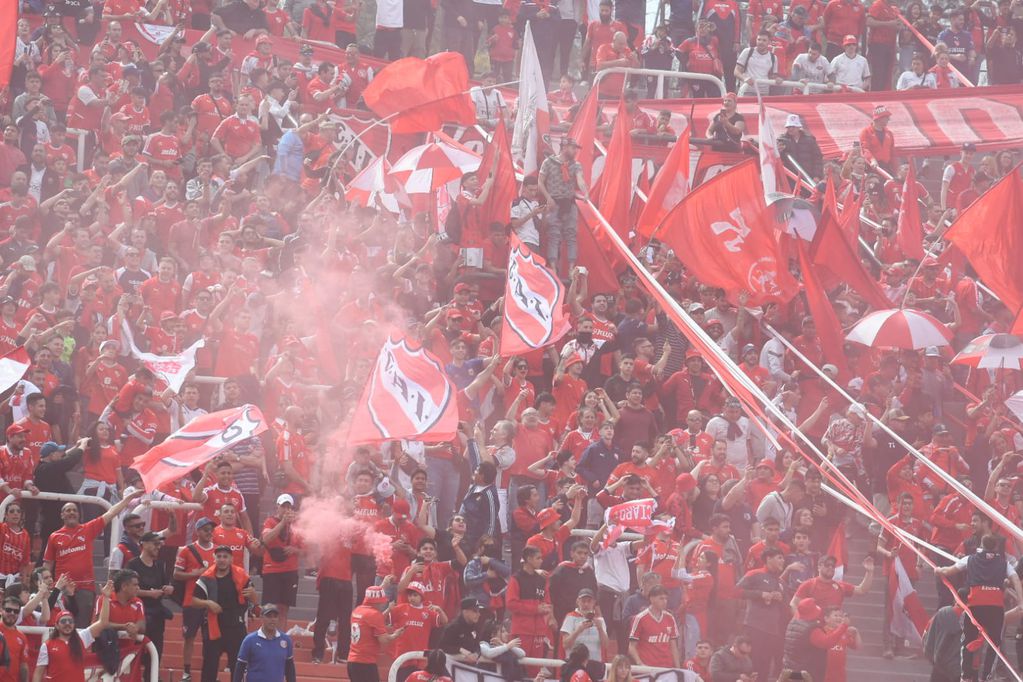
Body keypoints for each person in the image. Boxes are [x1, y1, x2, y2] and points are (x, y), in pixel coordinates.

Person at [42, 489, 144, 626]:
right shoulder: (54, 536)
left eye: (74, 510)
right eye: (68, 510)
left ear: (78, 514)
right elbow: (47, 564)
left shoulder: (87, 529)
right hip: (63, 588)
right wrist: (45, 585)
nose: (72, 512)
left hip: (85, 588)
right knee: (59, 625)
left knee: (82, 627)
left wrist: (129, 498)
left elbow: (111, 512)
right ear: (62, 515)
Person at [934, 534, 1022, 681]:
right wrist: (1020, 602)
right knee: (994, 645)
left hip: (975, 604)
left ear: (981, 545)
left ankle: (966, 676)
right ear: (995, 547)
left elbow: (948, 571)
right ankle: (986, 677)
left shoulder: (970, 559)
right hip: (995, 606)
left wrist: (938, 570)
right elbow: (1016, 580)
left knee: (968, 640)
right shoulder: (1004, 563)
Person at [192, 545, 258, 682]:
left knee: (238, 665)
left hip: (235, 626)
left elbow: (254, 600)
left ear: (231, 559)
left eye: (225, 556)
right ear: (214, 558)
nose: (222, 559)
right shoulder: (206, 577)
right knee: (209, 666)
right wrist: (208, 603)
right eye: (219, 556)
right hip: (213, 625)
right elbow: (193, 600)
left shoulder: (241, 575)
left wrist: (253, 595)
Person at [33, 580, 113, 682]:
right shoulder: (47, 645)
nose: (67, 623)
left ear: (74, 624)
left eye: (70, 621)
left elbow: (103, 623)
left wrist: (105, 597)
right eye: (63, 621)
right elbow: (38, 672)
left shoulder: (82, 638)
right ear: (56, 626)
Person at [538, 139, 588, 277]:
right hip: (554, 203)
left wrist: (585, 192)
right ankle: (553, 266)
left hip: (569, 203)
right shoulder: (548, 162)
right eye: (573, 148)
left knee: (571, 235)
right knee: (554, 235)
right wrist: (548, 197)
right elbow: (540, 182)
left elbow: (580, 179)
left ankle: (571, 267)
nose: (575, 151)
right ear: (564, 147)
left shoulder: (576, 165)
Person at [126, 532, 173, 662]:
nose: (158, 547)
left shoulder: (159, 565)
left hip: (157, 615)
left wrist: (168, 589)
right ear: (144, 544)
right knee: (135, 652)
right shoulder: (133, 564)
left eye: (160, 544)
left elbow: (165, 584)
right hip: (138, 614)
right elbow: (127, 590)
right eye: (155, 543)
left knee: (156, 651)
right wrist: (149, 593)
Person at [348, 583, 404, 682]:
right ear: (376, 602)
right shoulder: (374, 614)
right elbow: (383, 640)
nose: (382, 604)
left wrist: (387, 610)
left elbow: (371, 621)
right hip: (366, 663)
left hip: (352, 661)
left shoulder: (357, 610)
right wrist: (395, 635)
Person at [232, 604, 296, 682]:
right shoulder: (250, 640)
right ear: (261, 618)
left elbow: (290, 669)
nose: (272, 619)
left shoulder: (286, 640)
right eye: (269, 616)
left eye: (275, 616)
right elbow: (240, 667)